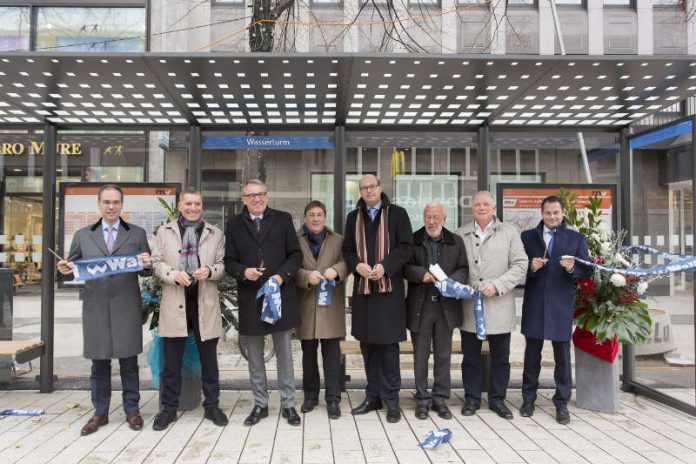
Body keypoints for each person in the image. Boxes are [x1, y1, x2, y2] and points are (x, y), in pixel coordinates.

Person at [56, 184, 152, 436]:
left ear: (122, 205)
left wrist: (146, 264)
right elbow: (73, 267)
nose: (111, 207)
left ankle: (132, 410)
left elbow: (145, 269)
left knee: (129, 360)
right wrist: (63, 269)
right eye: (106, 202)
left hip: (126, 305)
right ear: (98, 204)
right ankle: (100, 412)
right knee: (99, 363)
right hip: (96, 307)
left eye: (116, 202)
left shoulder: (137, 234)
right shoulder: (83, 235)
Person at [224, 179, 303, 426]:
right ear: (243, 199)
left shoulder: (283, 219)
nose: (257, 199)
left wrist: (280, 277)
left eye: (261, 194)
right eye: (251, 195)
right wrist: (243, 272)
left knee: (284, 355)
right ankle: (260, 404)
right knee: (255, 355)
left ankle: (288, 404)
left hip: (281, 296)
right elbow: (229, 260)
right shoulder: (234, 225)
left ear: (267, 196)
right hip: (251, 297)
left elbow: (296, 255)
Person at [150, 188, 229, 430]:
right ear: (179, 205)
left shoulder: (215, 233)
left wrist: (210, 271)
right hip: (175, 302)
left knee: (209, 361)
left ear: (201, 206)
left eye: (197, 204)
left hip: (204, 303)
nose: (193, 208)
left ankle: (212, 406)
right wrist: (172, 275)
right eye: (188, 204)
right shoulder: (164, 232)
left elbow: (222, 264)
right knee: (171, 362)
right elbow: (156, 262)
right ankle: (169, 409)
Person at [342, 174, 413, 423]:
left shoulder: (398, 214)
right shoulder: (353, 217)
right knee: (368, 347)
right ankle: (372, 396)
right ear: (360, 191)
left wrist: (385, 266)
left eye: (373, 186)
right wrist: (357, 266)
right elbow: (347, 250)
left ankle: (392, 401)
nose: (369, 190)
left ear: (380, 188)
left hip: (388, 291)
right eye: (364, 188)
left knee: (389, 349)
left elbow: (406, 247)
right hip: (363, 292)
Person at [455, 191, 527, 420]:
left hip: (499, 305)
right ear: (472, 208)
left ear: (494, 207)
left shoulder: (510, 233)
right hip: (469, 306)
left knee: (500, 358)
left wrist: (497, 285)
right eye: (477, 204)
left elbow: (520, 265)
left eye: (486, 204)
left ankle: (497, 400)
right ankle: (472, 399)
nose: (482, 208)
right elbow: (456, 266)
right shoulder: (461, 234)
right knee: (471, 358)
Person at [520, 195, 591, 425]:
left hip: (561, 303)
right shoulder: (528, 237)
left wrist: (573, 269)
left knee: (562, 356)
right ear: (542, 213)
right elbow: (518, 267)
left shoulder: (575, 238)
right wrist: (531, 267)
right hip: (535, 302)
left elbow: (587, 270)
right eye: (548, 213)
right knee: (532, 355)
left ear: (562, 213)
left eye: (556, 213)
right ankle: (528, 399)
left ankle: (562, 403)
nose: (552, 217)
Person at [404, 203, 468, 420]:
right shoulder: (413, 240)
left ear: (444, 218)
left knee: (443, 355)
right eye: (428, 217)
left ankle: (440, 399)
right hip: (420, 306)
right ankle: (422, 399)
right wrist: (420, 273)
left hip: (445, 307)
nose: (431, 221)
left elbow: (464, 269)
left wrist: (452, 280)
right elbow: (404, 267)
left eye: (436, 217)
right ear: (423, 217)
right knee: (420, 356)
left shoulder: (455, 241)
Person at [295, 200, 348, 420]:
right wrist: (307, 276)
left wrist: (336, 271)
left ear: (325, 217)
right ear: (305, 218)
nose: (315, 219)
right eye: (311, 215)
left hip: (330, 306)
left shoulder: (338, 240)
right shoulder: (295, 240)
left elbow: (347, 262)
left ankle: (333, 399)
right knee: (308, 354)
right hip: (306, 303)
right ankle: (310, 396)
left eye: (319, 215)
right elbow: (289, 267)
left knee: (332, 356)